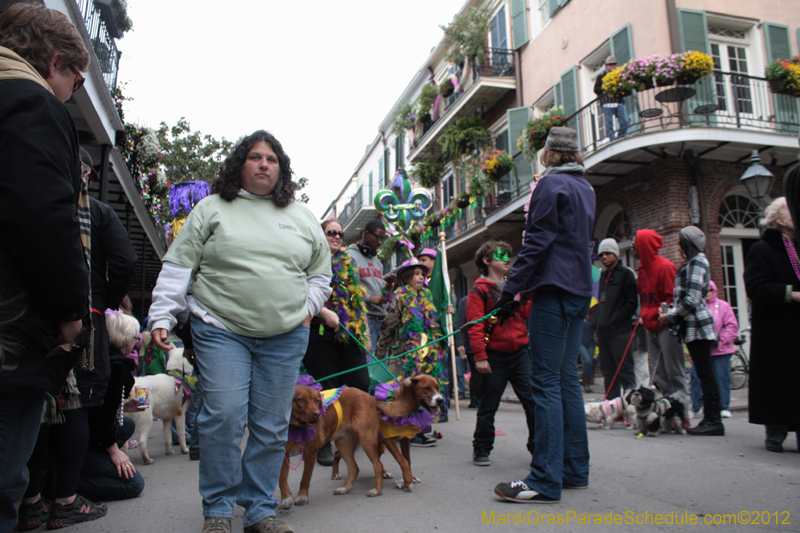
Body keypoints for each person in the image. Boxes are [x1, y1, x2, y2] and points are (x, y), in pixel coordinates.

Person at [148, 130, 331, 533]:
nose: (264, 163)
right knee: (225, 417)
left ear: (281, 169)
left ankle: (260, 510)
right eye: (255, 157)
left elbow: (320, 275)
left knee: (270, 425)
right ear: (239, 165)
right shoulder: (211, 209)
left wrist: (309, 309)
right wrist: (162, 315)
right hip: (220, 327)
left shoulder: (301, 216)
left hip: (285, 335)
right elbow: (179, 267)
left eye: (272, 158)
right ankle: (217, 509)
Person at [0, 5, 92, 531]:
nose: (71, 94)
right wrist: (68, 313)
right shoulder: (31, 103)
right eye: (75, 83)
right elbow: (41, 216)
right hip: (11, 335)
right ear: (54, 62)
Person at [492, 127, 595, 503]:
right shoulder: (586, 187)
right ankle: (574, 469)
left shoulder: (552, 186)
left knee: (546, 382)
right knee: (565, 379)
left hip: (554, 289)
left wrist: (510, 289)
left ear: (550, 154)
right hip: (580, 289)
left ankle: (544, 478)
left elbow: (537, 241)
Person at [302, 218, 371, 465]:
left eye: (341, 234)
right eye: (332, 232)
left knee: (360, 381)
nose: (337, 237)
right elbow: (298, 290)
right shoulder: (308, 258)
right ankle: (322, 442)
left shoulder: (347, 263)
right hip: (318, 331)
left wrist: (365, 334)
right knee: (327, 388)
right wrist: (322, 310)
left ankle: (349, 434)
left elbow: (358, 302)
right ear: (320, 234)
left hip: (348, 332)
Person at [467, 241, 536, 467]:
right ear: (487, 261)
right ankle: (481, 447)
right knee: (489, 404)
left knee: (532, 401)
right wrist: (480, 356)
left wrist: (529, 296)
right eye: (500, 255)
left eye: (508, 255)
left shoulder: (512, 286)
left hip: (519, 353)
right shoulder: (479, 290)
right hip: (494, 356)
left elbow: (525, 313)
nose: (507, 259)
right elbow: (475, 325)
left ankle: (538, 446)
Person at [744, 197, 800, 452]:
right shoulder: (761, 249)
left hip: (796, 328)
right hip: (775, 331)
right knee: (777, 381)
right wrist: (793, 294)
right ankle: (775, 431)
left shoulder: (797, 247)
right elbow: (756, 287)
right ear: (780, 220)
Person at [377, 257, 446, 447]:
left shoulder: (427, 296)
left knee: (425, 393)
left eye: (423, 274)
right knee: (407, 393)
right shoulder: (400, 297)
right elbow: (389, 325)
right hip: (405, 354)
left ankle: (420, 430)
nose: (420, 277)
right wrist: (381, 351)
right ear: (407, 277)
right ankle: (405, 432)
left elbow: (432, 324)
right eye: (416, 273)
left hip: (426, 354)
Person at [659, 226, 721, 436]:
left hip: (697, 325)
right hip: (693, 325)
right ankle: (713, 418)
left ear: (688, 243)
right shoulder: (694, 262)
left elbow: (693, 298)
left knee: (705, 373)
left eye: (681, 241)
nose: (678, 244)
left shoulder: (697, 262)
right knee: (703, 372)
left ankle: (713, 420)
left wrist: (671, 316)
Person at [77, 311, 144, 503]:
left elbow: (102, 407)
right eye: (135, 337)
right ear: (126, 339)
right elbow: (101, 417)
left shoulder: (103, 358)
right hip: (88, 440)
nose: (137, 341)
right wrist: (115, 452)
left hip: (85, 433)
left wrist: (124, 406)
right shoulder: (116, 368)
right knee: (135, 484)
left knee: (128, 424)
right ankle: (65, 484)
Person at [634, 229, 689, 398]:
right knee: (659, 374)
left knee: (674, 371)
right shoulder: (641, 271)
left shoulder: (665, 267)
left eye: (634, 244)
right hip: (651, 328)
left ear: (644, 246)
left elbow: (673, 297)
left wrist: (663, 314)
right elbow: (643, 299)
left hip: (667, 326)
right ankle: (667, 412)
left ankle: (682, 412)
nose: (632, 248)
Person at [594, 238, 638, 399]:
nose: (604, 257)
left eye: (608, 253)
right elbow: (598, 302)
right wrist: (597, 323)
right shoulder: (601, 278)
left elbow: (631, 302)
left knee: (625, 369)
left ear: (616, 254)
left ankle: (631, 407)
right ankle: (613, 408)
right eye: (601, 254)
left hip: (620, 332)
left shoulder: (626, 275)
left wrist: (616, 319)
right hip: (603, 332)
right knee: (608, 371)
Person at [689, 280, 738, 419]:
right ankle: (696, 406)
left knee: (722, 378)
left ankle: (724, 407)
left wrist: (722, 340)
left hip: (721, 350)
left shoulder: (724, 306)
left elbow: (732, 326)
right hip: (702, 350)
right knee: (695, 377)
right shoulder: (697, 306)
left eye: (710, 290)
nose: (708, 293)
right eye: (705, 290)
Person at [346, 219, 395, 353]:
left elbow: (380, 291)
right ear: (366, 233)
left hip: (382, 321)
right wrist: (369, 298)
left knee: (382, 368)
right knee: (370, 367)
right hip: (365, 321)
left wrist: (388, 285)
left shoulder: (377, 262)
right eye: (378, 237)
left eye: (382, 239)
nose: (380, 242)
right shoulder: (350, 256)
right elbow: (347, 290)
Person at [593, 55, 628, 140]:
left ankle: (620, 137)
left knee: (625, 121)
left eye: (614, 64)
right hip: (606, 102)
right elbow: (596, 89)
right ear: (606, 65)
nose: (612, 66)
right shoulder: (601, 76)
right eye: (610, 64)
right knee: (609, 124)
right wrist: (607, 87)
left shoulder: (618, 75)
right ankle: (612, 140)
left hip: (618, 102)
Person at [455, 295, 480, 407]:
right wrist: (460, 343)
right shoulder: (465, 301)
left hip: (486, 343)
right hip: (471, 345)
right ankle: (475, 399)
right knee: (475, 373)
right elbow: (460, 323)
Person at [578, 307, 596, 393]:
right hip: (581, 343)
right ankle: (585, 381)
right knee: (587, 360)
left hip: (591, 343)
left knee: (590, 363)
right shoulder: (580, 318)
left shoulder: (593, 320)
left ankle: (586, 381)